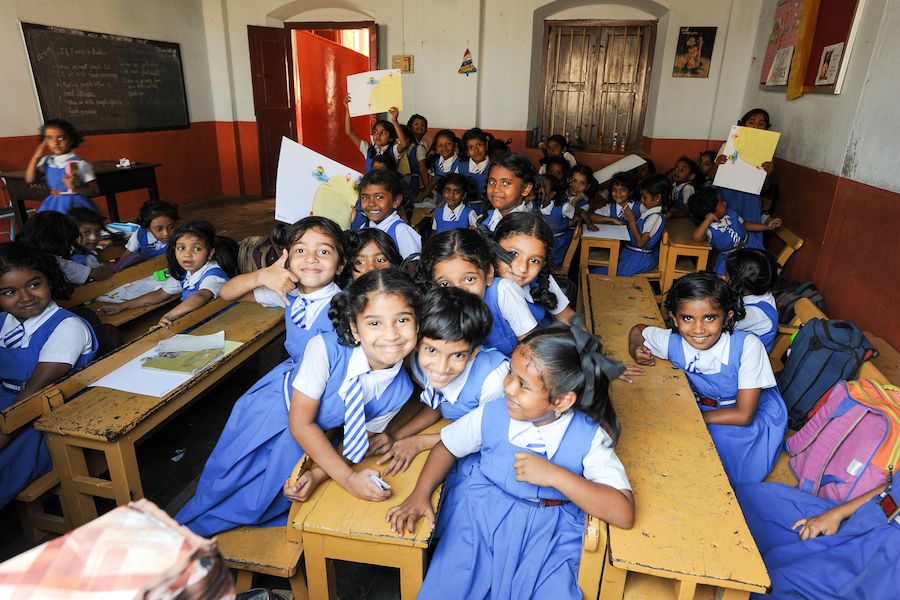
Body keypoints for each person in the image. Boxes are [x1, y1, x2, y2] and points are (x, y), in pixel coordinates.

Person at [386, 320, 635, 599]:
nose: (509, 388)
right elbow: (448, 447)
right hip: (480, 519)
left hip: (552, 536)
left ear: (562, 401)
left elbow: (624, 513)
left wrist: (556, 476)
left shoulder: (589, 437)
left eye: (523, 385)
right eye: (510, 375)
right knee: (448, 589)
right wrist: (420, 494)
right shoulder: (492, 413)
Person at [177, 269, 419, 536]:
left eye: (402, 320)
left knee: (267, 500)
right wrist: (349, 479)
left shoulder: (401, 390)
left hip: (311, 436)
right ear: (354, 328)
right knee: (225, 485)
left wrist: (317, 475)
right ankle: (177, 537)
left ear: (418, 323)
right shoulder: (324, 348)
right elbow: (301, 424)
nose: (391, 334)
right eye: (374, 323)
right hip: (270, 416)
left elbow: (355, 441)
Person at [628, 272, 787, 483]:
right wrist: (635, 348)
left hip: (744, 415)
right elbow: (639, 330)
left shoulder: (747, 346)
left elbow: (744, 415)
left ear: (727, 317)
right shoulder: (673, 342)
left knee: (712, 464)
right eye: (687, 318)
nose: (698, 329)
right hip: (701, 408)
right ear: (674, 318)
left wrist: (693, 420)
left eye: (709, 317)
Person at [377, 287, 510, 536]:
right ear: (418, 342)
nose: (441, 366)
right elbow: (437, 404)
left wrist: (420, 442)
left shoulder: (494, 380)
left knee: (463, 517)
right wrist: (397, 436)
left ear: (474, 352)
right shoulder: (418, 363)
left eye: (457, 355)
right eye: (431, 350)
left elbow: (485, 434)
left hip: (488, 449)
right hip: (451, 439)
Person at [0, 241, 98, 508]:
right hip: (8, 405)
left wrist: (2, 436)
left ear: (49, 281)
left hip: (45, 418)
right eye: (9, 292)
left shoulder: (67, 327)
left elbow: (33, 396)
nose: (25, 297)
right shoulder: (3, 324)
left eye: (34, 284)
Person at [734, 481, 900, 600]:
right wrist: (837, 513)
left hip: (885, 558)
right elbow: (891, 487)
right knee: (751, 499)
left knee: (776, 583)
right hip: (866, 517)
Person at [221, 216, 346, 362]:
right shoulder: (287, 292)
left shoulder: (347, 307)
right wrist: (259, 276)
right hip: (294, 369)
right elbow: (227, 293)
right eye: (301, 250)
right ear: (288, 260)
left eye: (323, 252)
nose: (311, 258)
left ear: (340, 265)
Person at [415, 228, 533, 358]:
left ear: (488, 274)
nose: (459, 292)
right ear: (434, 287)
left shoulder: (503, 292)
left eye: (469, 279)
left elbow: (532, 345)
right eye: (445, 284)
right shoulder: (436, 309)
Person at [98, 221, 236, 331]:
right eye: (181, 248)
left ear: (210, 253)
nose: (187, 254)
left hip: (225, 324)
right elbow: (159, 294)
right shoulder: (184, 273)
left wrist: (169, 316)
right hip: (199, 321)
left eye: (196, 248)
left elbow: (200, 296)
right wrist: (123, 306)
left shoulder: (214, 274)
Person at [494, 212, 577, 326]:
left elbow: (567, 316)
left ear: (542, 265)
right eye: (513, 254)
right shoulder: (479, 286)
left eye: (534, 261)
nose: (522, 268)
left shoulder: (541, 279)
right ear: (494, 250)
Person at [713, 109, 776, 241]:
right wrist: (717, 165)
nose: (755, 127)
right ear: (743, 125)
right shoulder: (728, 146)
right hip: (726, 195)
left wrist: (767, 174)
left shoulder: (766, 152)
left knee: (748, 234)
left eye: (761, 124)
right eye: (751, 122)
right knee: (725, 230)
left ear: (766, 128)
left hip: (750, 198)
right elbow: (711, 176)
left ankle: (748, 252)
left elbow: (765, 187)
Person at [689, 187, 782, 275]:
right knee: (728, 278)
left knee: (758, 270)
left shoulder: (731, 213)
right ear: (711, 213)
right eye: (721, 204)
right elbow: (697, 237)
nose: (725, 203)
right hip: (730, 258)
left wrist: (766, 227)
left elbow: (745, 225)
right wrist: (709, 219)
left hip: (750, 246)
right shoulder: (710, 230)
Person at [591, 173, 668, 277]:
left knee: (602, 274)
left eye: (644, 197)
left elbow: (640, 243)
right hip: (629, 252)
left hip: (638, 258)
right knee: (599, 270)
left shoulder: (655, 216)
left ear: (658, 197)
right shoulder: (650, 213)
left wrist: (632, 219)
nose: (642, 200)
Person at [24, 119, 101, 214]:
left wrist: (74, 188)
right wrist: (36, 156)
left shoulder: (78, 163)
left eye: (61, 138)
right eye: (49, 138)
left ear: (71, 140)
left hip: (75, 205)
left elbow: (95, 191)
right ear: (45, 141)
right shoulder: (48, 161)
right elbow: (30, 179)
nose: (55, 143)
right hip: (53, 204)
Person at [17, 210, 113, 285]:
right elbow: (98, 274)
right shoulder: (54, 262)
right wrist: (115, 269)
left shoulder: (19, 255)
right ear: (58, 242)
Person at [351, 169, 422, 264]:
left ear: (396, 201)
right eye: (366, 197)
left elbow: (413, 267)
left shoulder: (401, 232)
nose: (371, 203)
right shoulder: (363, 228)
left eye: (379, 197)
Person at [726, 248, 780, 353]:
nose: (724, 277)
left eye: (727, 275)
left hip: (746, 358)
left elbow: (719, 324)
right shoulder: (761, 292)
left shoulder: (754, 313)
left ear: (738, 284)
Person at [343, 94, 408, 172]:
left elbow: (403, 144)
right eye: (375, 132)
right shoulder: (368, 150)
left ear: (391, 138)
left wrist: (394, 121)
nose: (378, 135)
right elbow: (349, 132)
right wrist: (348, 109)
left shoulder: (394, 151)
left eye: (383, 133)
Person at [113, 199, 180, 270]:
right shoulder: (140, 235)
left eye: (171, 227)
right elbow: (127, 253)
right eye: (159, 229)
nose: (166, 233)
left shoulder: (179, 239)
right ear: (147, 227)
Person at [481, 153, 541, 231]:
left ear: (525, 189)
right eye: (492, 182)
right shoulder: (484, 219)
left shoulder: (530, 229)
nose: (496, 189)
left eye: (506, 183)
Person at [420, 129, 461, 205]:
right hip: (439, 202)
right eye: (440, 145)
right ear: (436, 149)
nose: (444, 147)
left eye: (448, 143)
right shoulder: (436, 162)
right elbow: (433, 181)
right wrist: (421, 198)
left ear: (455, 145)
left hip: (453, 204)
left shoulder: (460, 164)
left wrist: (438, 209)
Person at [456, 128, 493, 206]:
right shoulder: (460, 167)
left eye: (479, 145)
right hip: (464, 208)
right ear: (467, 152)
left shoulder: (493, 168)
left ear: (486, 145)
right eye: (471, 147)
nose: (476, 150)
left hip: (487, 208)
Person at [568, 164, 601, 229]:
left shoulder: (584, 205)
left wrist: (574, 202)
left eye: (582, 183)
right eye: (574, 181)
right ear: (568, 180)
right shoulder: (559, 194)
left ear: (587, 186)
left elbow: (568, 223)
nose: (577, 185)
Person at [404, 113, 430, 195]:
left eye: (423, 125)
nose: (420, 126)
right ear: (410, 127)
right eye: (416, 124)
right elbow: (422, 169)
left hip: (415, 181)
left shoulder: (423, 145)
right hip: (406, 180)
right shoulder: (407, 144)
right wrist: (427, 189)